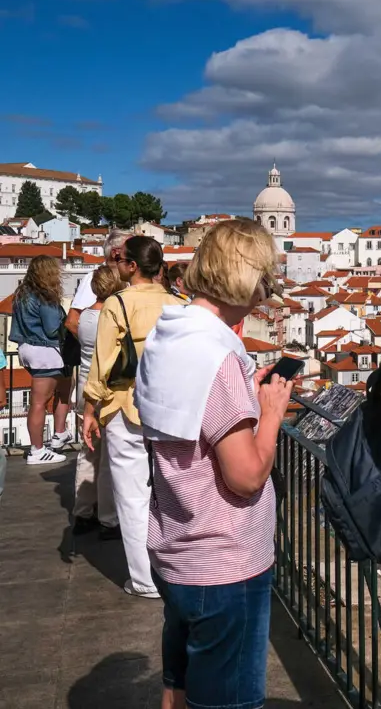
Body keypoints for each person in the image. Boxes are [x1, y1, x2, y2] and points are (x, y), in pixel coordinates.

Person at [135, 219, 292, 709]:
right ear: (245, 276)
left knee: (177, 685)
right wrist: (269, 412)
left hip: (175, 552)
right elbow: (245, 476)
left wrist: (244, 392)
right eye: (265, 277)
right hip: (224, 566)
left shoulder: (168, 337)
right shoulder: (219, 357)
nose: (268, 291)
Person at [82, 236, 185, 598]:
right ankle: (178, 569)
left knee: (132, 496)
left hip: (126, 406)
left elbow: (102, 365)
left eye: (120, 259)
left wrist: (90, 410)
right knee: (172, 491)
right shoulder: (179, 304)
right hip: (171, 407)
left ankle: (144, 580)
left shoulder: (117, 304)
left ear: (131, 267)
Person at [72, 266, 124, 536]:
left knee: (88, 451)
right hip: (102, 387)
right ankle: (108, 517)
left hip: (82, 383)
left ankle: (82, 511)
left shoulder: (85, 318)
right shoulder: (111, 315)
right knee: (107, 456)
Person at [11, 255, 73, 465]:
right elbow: (52, 328)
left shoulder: (22, 293)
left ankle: (59, 433)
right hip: (45, 351)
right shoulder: (45, 296)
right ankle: (37, 451)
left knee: (65, 386)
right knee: (39, 402)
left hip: (28, 349)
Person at [65, 229, 132, 337]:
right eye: (131, 249)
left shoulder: (127, 277)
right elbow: (72, 322)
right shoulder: (94, 278)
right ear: (115, 253)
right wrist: (96, 348)